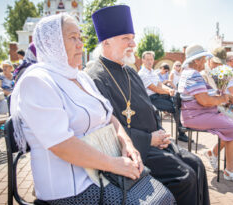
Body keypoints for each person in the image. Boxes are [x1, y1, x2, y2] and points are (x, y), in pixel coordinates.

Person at [11, 13, 174, 204]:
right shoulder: (36, 81)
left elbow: (109, 116)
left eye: (80, 38)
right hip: (73, 187)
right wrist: (114, 165)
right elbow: (61, 145)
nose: (80, 44)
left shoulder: (81, 77)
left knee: (164, 195)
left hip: (105, 172)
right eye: (73, 37)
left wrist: (127, 144)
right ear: (50, 42)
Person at [87, 5, 209, 205]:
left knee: (196, 164)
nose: (133, 43)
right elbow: (107, 129)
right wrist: (148, 140)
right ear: (106, 42)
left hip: (156, 141)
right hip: (135, 148)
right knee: (185, 178)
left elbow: (149, 109)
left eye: (132, 37)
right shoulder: (95, 78)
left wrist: (160, 133)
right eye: (126, 38)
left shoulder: (131, 72)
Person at [178, 44, 233, 183]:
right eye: (203, 59)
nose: (205, 62)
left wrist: (223, 96)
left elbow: (206, 94)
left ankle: (215, 156)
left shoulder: (189, 73)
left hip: (195, 114)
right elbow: (204, 100)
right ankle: (229, 170)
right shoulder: (193, 74)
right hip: (196, 116)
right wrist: (223, 98)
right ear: (197, 60)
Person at [138, 51, 189, 142]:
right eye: (147, 59)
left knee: (178, 100)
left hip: (159, 96)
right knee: (175, 106)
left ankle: (179, 131)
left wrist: (169, 90)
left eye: (151, 59)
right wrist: (168, 92)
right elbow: (155, 89)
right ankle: (179, 132)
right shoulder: (142, 74)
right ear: (143, 60)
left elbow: (160, 84)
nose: (150, 61)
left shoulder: (153, 72)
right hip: (151, 99)